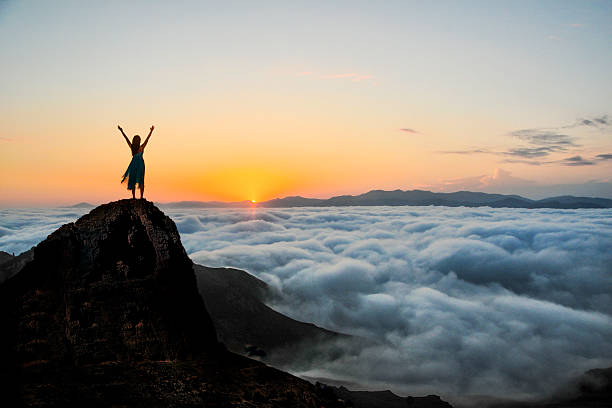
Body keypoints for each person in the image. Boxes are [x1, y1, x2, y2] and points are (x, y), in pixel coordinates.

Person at [118, 125, 154, 199]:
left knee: (133, 180)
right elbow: (147, 139)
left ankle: (134, 197)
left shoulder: (132, 147)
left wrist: (122, 131)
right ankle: (141, 197)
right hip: (140, 164)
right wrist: (151, 131)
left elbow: (126, 139)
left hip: (133, 164)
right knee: (141, 180)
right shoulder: (141, 147)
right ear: (139, 141)